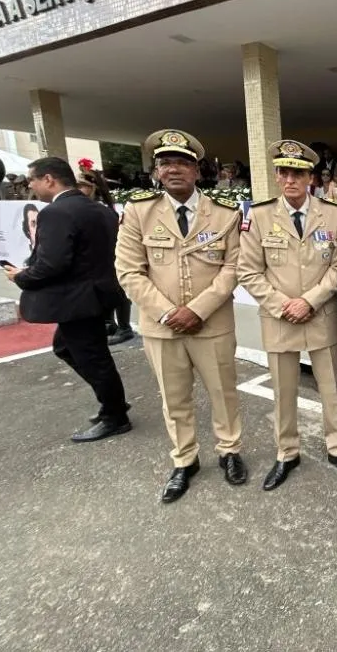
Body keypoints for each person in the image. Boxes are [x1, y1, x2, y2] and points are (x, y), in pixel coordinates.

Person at [115, 129, 248, 503]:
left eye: (182, 162)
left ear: (196, 170)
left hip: (213, 324)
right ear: (156, 171)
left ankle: (229, 451)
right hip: (162, 327)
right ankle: (184, 460)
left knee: (224, 393)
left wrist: (198, 310)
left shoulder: (224, 212)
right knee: (173, 399)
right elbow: (128, 271)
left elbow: (232, 267)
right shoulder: (138, 211)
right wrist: (170, 312)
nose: (174, 169)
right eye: (165, 163)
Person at [237, 140, 337, 487]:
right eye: (284, 172)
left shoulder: (333, 214)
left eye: (298, 173)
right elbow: (247, 271)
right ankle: (286, 453)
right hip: (278, 319)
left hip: (320, 315)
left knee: (331, 388)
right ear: (277, 176)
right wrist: (282, 304)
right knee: (283, 390)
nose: (291, 179)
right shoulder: (259, 216)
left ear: (311, 179)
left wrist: (309, 300)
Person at [4, 157, 131, 443]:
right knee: (67, 348)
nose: (31, 187)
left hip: (78, 300)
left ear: (48, 179)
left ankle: (115, 414)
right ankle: (113, 403)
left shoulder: (56, 212)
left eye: (32, 181)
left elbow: (52, 264)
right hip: (99, 295)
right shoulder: (100, 210)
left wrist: (21, 277)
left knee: (93, 358)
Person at [76, 163, 137, 347]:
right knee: (104, 291)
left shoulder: (101, 207)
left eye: (80, 186)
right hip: (97, 257)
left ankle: (124, 327)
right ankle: (109, 323)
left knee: (118, 292)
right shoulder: (89, 206)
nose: (77, 189)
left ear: (90, 187)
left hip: (111, 255)